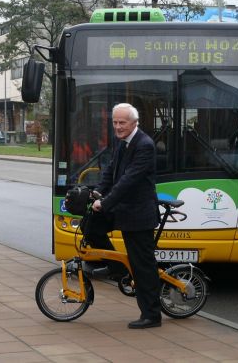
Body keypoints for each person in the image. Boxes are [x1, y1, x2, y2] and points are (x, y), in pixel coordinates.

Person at [86, 102, 162, 329]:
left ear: (134, 123)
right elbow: (111, 171)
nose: (118, 127)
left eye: (122, 122)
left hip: (139, 214)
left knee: (143, 265)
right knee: (92, 226)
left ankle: (152, 315)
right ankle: (117, 268)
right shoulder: (123, 143)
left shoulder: (144, 145)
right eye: (115, 122)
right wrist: (98, 191)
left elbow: (129, 181)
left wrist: (106, 202)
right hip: (124, 209)